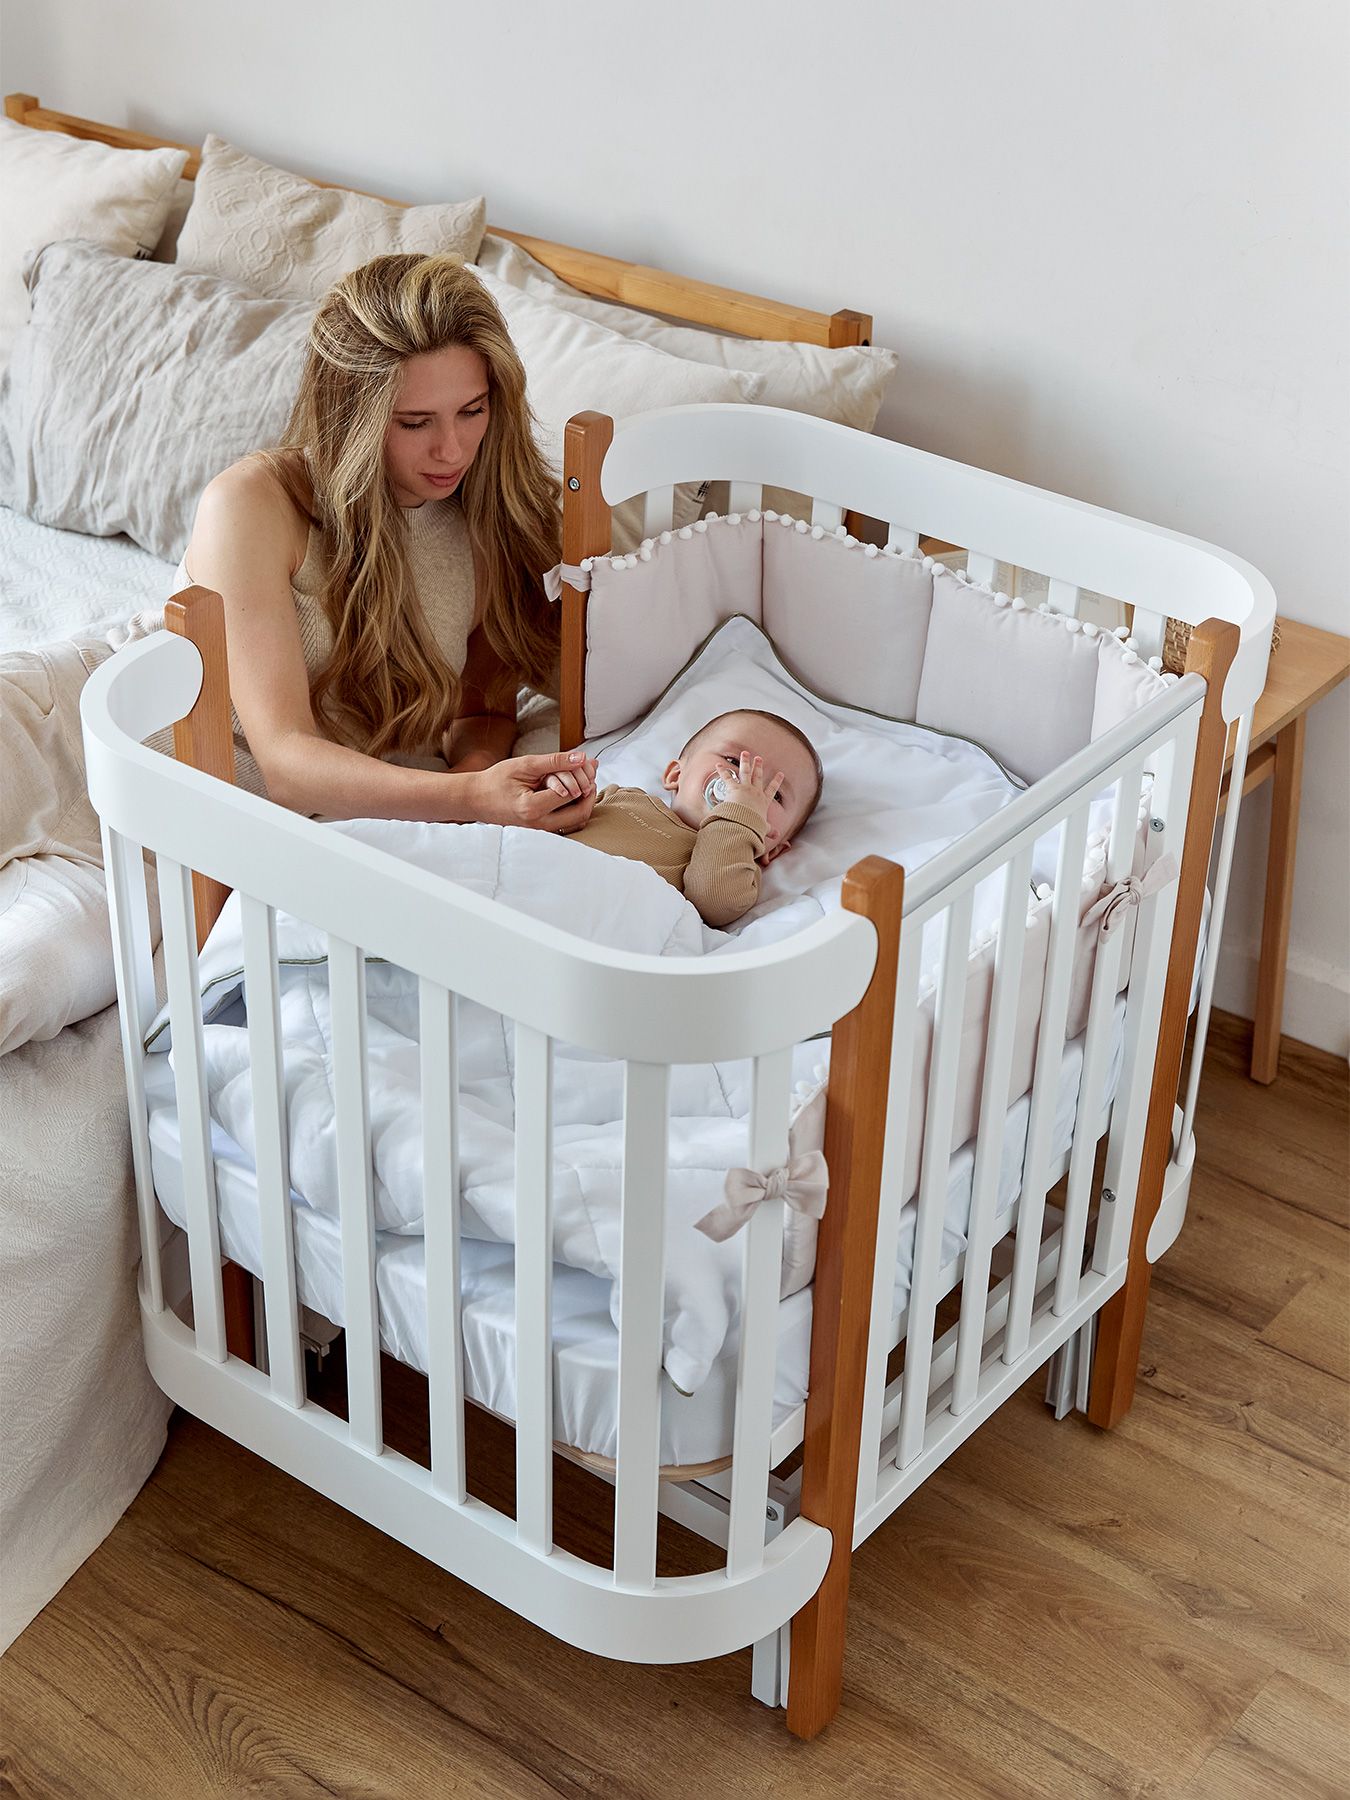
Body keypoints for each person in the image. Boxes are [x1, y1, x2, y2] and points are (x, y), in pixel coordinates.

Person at [174, 251, 597, 829]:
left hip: (318, 830)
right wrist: (468, 799)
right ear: (354, 415)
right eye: (415, 423)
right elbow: (285, 766)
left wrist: (473, 779)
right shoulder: (252, 504)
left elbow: (483, 711)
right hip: (151, 789)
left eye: (472, 410)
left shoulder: (483, 518)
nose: (451, 449)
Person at [563, 709, 823, 928]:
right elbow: (552, 825)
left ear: (774, 850)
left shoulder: (738, 872)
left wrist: (740, 817)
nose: (747, 787)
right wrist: (561, 789)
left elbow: (712, 902)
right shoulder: (623, 798)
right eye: (733, 761)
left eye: (775, 794)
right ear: (675, 775)